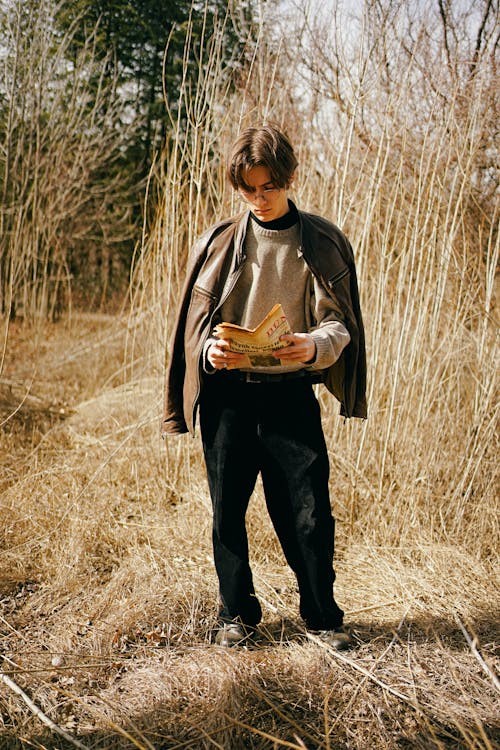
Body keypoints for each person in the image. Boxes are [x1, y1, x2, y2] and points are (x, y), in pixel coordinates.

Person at [163, 124, 367, 650]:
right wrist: (209, 351)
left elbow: (340, 324)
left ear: (290, 177)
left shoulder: (320, 241)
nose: (259, 199)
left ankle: (323, 620)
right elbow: (195, 326)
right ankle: (237, 615)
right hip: (228, 398)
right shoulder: (219, 242)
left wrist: (315, 346)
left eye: (268, 187)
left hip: (290, 397)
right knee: (227, 510)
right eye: (248, 189)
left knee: (309, 513)